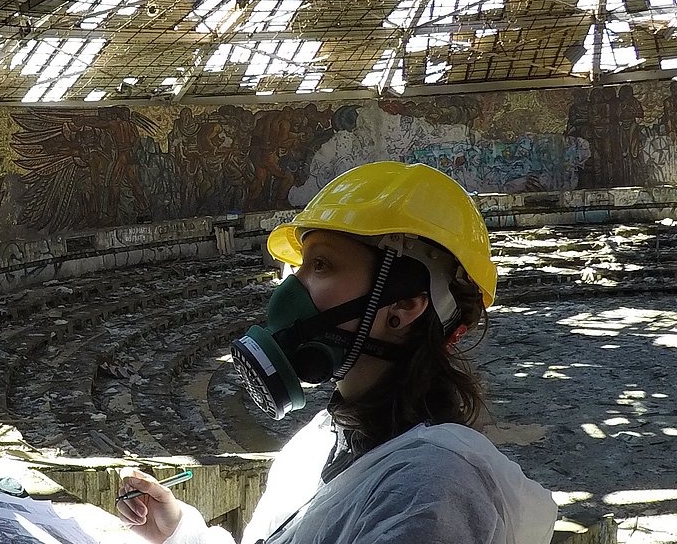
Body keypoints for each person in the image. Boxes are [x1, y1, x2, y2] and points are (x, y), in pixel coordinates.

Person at [117, 162, 556, 544]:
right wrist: (178, 534)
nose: (290, 291)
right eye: (299, 266)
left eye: (321, 265)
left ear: (404, 305)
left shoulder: (434, 488)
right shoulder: (324, 438)